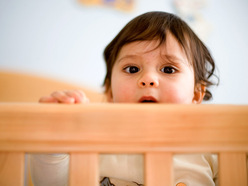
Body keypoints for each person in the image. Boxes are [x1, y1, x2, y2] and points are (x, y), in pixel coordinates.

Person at [30, 11, 218, 186]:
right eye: (132, 69)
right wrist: (55, 143)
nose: (148, 79)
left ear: (196, 93)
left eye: (168, 69)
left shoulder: (218, 147)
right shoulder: (92, 141)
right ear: (110, 91)